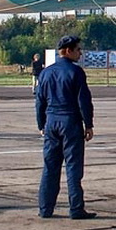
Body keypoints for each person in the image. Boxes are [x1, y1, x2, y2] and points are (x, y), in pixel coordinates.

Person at [35, 35, 96, 219]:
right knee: (73, 167)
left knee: (50, 167)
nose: (80, 53)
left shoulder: (46, 73)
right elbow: (84, 100)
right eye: (78, 49)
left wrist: (41, 124)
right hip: (70, 122)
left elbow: (39, 101)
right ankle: (76, 208)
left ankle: (45, 209)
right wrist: (89, 123)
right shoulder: (76, 72)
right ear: (68, 51)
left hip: (51, 122)